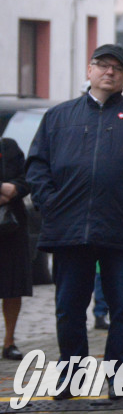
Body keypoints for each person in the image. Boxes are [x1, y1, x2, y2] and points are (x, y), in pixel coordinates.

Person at [26, 43, 123, 400]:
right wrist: (50, 202)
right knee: (69, 308)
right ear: (89, 71)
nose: (109, 72)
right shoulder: (59, 117)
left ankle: (119, 381)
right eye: (102, 66)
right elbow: (37, 165)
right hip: (69, 230)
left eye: (117, 68)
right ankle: (72, 377)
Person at [0, 137, 30, 362]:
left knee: (12, 286)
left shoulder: (8, 146)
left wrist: (16, 188)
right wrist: (3, 188)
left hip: (10, 227)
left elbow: (28, 179)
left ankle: (9, 342)